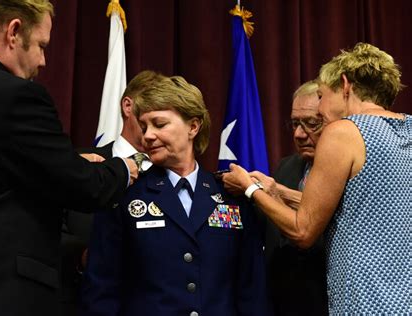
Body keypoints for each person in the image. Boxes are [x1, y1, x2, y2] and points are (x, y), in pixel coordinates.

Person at [0, 1, 137, 315]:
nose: (43, 60)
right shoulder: (16, 96)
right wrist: (125, 166)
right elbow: (83, 187)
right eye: (42, 46)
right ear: (14, 32)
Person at [222, 42, 410, 314]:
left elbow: (303, 231)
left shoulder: (343, 131)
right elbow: (359, 206)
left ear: (345, 85)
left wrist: (251, 188)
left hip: (365, 303)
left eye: (321, 96)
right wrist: (279, 191)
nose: (320, 109)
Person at [80, 74, 268, 315]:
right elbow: (101, 290)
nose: (147, 135)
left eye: (159, 124)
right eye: (144, 126)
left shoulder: (231, 196)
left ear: (193, 126)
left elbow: (252, 291)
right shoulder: (125, 195)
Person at [60, 70, 160, 315]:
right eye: (155, 109)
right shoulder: (76, 163)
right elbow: (45, 228)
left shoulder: (174, 175)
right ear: (128, 105)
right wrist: (82, 256)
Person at [265, 81, 328, 316]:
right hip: (286, 300)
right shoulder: (286, 167)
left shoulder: (351, 170)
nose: (299, 134)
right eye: (294, 124)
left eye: (311, 124)